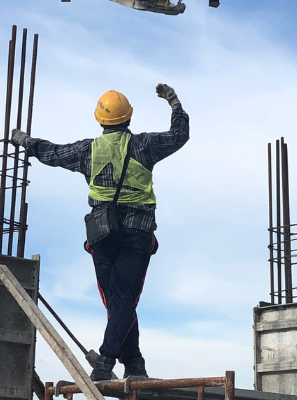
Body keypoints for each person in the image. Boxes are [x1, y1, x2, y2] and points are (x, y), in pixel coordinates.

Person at [11, 84, 188, 382]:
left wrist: (25, 141)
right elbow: (179, 135)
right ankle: (120, 362)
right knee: (123, 300)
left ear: (100, 119)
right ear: (129, 117)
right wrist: (174, 103)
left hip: (102, 234)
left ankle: (125, 362)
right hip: (138, 233)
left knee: (118, 300)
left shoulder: (88, 150)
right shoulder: (145, 145)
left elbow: (52, 153)